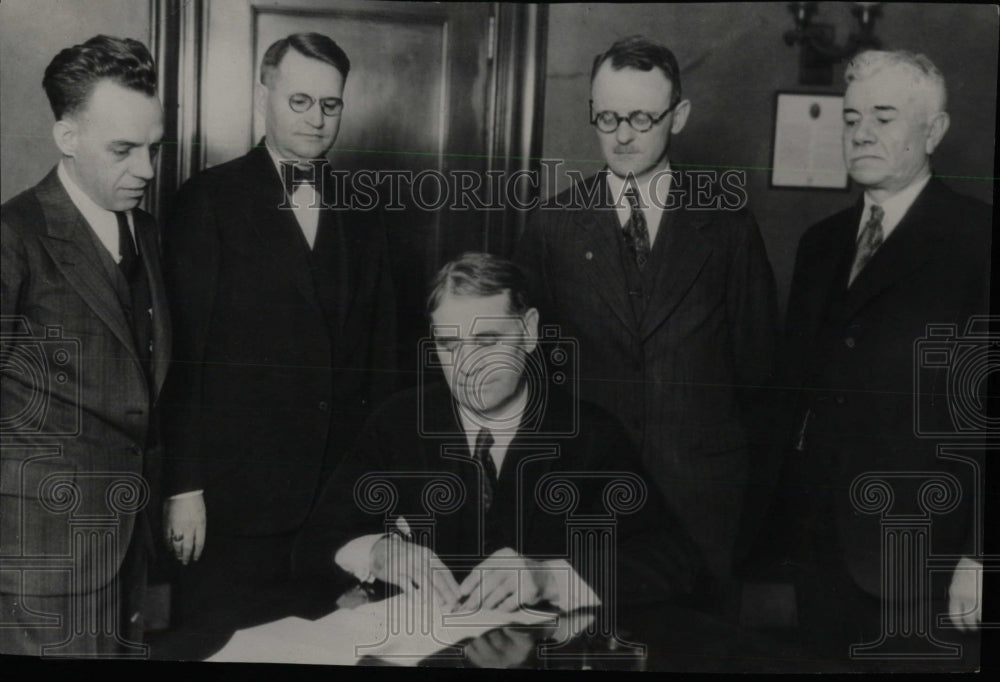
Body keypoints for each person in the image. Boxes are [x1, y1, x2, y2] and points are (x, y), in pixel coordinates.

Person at [513, 35, 777, 613]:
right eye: (606, 116)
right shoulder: (553, 227)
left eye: (640, 117)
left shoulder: (728, 226)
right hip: (586, 496)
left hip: (704, 505)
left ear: (677, 116)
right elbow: (533, 380)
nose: (623, 134)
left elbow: (760, 379)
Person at [293, 252, 707, 620]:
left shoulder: (589, 433)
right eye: (449, 344)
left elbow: (671, 562)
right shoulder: (397, 422)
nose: (467, 366)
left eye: (487, 340)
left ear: (528, 332)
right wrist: (377, 552)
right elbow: (316, 540)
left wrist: (547, 577)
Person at [161, 32, 396, 627]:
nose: (317, 120)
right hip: (234, 505)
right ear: (263, 94)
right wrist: (183, 487)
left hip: (337, 505)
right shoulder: (207, 200)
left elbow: (385, 354)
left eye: (331, 104)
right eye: (299, 101)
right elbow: (181, 356)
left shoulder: (365, 209)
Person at [773, 50, 989, 666]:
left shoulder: (976, 242)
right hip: (818, 552)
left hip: (926, 560)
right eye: (851, 117)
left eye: (885, 117)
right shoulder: (820, 245)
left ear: (934, 131)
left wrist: (980, 556)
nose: (861, 132)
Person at [1, 35, 169, 655]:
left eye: (154, 148)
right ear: (67, 138)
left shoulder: (146, 230)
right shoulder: (12, 237)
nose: (147, 170)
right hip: (41, 561)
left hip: (128, 547)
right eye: (122, 150)